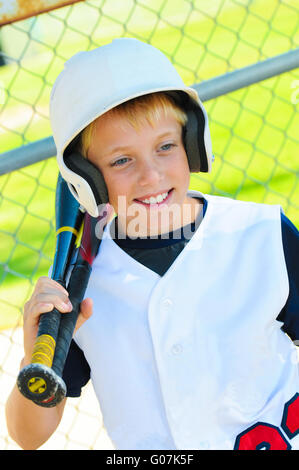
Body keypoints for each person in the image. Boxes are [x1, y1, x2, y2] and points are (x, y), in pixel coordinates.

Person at [6, 38, 299, 451]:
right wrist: (34, 358)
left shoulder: (260, 235)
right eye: (122, 160)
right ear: (85, 178)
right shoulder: (79, 292)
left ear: (193, 143)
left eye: (165, 147)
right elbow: (28, 435)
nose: (151, 176)